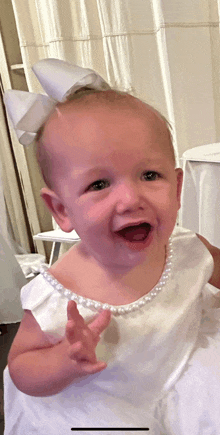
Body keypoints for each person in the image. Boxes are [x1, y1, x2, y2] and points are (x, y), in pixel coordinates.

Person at [3, 59, 220, 434]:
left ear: (179, 187)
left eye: (150, 175)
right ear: (61, 210)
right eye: (99, 185)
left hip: (184, 369)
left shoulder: (186, 248)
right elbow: (22, 368)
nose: (130, 198)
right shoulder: (57, 293)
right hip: (103, 404)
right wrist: (65, 360)